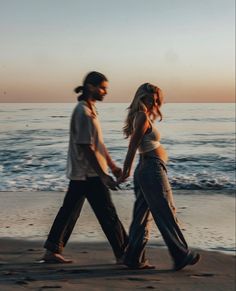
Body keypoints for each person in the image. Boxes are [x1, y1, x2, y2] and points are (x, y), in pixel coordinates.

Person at [42, 71, 128, 263]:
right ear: (90, 87)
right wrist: (103, 175)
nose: (105, 92)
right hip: (87, 173)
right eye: (103, 88)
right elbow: (85, 146)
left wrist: (112, 167)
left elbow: (98, 144)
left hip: (85, 173)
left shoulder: (91, 110)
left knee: (69, 211)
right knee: (107, 213)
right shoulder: (82, 111)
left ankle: (52, 250)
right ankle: (124, 254)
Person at [118, 83, 200, 270]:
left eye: (156, 100)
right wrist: (126, 170)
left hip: (147, 169)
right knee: (165, 211)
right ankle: (180, 254)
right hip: (151, 169)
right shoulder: (141, 117)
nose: (154, 103)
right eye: (150, 99)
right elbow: (132, 146)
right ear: (140, 98)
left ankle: (133, 258)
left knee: (141, 215)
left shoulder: (141, 116)